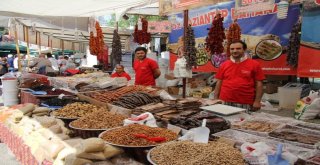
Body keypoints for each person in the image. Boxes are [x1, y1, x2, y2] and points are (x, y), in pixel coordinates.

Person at [214, 40, 265, 111]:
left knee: (244, 121)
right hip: (224, 101)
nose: (235, 51)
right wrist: (215, 99)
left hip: (246, 102)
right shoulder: (224, 64)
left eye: (238, 48)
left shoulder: (254, 64)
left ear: (244, 49)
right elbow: (219, 82)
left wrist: (257, 101)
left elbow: (259, 84)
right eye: (232, 49)